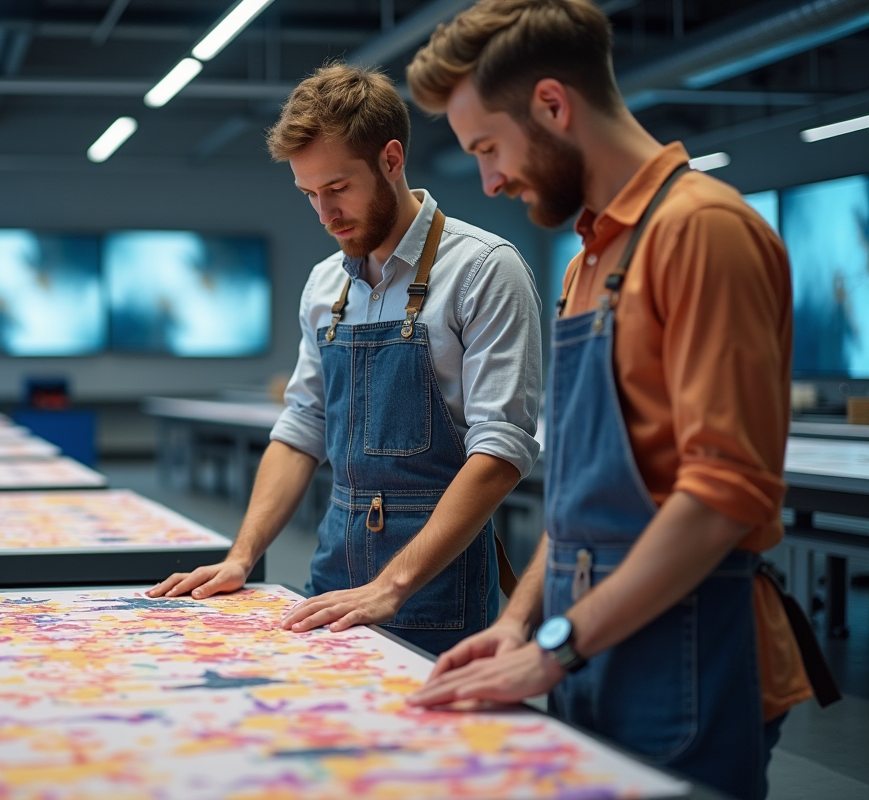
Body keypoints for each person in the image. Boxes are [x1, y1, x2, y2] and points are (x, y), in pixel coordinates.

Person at [403, 2, 838, 798]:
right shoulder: (587, 263)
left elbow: (721, 496)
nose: (491, 180)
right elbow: (578, 499)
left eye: (488, 148)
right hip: (589, 643)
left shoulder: (703, 232)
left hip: (688, 652)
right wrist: (518, 623)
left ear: (552, 105)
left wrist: (558, 647)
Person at [148, 63, 542, 656]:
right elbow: (302, 427)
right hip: (332, 576)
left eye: (337, 188)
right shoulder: (324, 286)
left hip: (431, 590)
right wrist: (242, 555)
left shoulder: (483, 270)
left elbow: (501, 449)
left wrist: (392, 584)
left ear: (391, 159)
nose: (325, 214)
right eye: (309, 194)